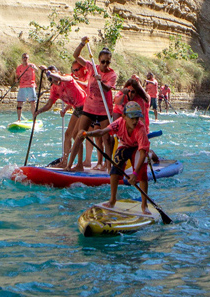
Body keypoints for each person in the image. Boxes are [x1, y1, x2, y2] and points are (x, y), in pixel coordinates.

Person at [85, 102, 151, 214]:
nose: (135, 121)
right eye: (132, 118)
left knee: (142, 176)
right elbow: (101, 132)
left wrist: (135, 174)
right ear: (124, 116)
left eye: (137, 118)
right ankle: (112, 200)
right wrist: (87, 134)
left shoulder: (140, 129)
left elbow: (142, 153)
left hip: (138, 149)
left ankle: (144, 205)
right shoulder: (118, 124)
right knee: (114, 171)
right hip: (125, 145)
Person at [66, 37, 118, 172]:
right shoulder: (92, 67)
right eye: (103, 61)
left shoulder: (112, 75)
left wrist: (101, 81)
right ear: (99, 60)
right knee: (79, 135)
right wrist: (82, 43)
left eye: (108, 62)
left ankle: (108, 166)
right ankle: (73, 165)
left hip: (103, 111)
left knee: (107, 139)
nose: (105, 64)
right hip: (89, 108)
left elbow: (107, 88)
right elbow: (76, 56)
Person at [35, 64, 88, 169]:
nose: (53, 79)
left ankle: (80, 165)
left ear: (58, 72)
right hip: (77, 108)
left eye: (54, 75)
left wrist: (47, 71)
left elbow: (60, 78)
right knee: (68, 134)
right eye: (50, 79)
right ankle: (64, 161)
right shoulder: (54, 89)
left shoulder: (68, 78)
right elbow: (49, 104)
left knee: (76, 135)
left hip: (86, 106)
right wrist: (38, 111)